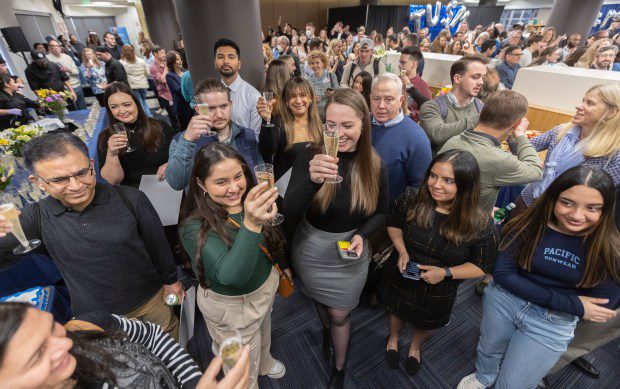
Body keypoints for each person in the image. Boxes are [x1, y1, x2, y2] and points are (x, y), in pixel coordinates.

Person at [0, 133, 183, 337]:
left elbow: (158, 244)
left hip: (150, 302)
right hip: (97, 320)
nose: (76, 186)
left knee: (171, 346)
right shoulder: (36, 217)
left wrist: (171, 281)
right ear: (38, 182)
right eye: (60, 180)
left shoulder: (130, 199)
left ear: (92, 164)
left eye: (82, 173)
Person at [458, 165, 620, 389]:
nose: (576, 215)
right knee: (488, 349)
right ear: (553, 199)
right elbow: (503, 275)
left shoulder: (609, 249)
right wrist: (572, 302)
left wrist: (534, 291)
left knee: (515, 384)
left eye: (592, 207)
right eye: (567, 203)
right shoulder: (528, 224)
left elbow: (601, 308)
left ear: (605, 209)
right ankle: (483, 377)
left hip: (553, 322)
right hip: (504, 302)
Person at [283, 89, 389, 388]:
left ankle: (339, 368)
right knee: (320, 302)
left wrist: (361, 235)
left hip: (350, 252)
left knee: (340, 314)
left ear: (363, 125)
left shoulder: (374, 164)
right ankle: (328, 333)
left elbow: (382, 213)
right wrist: (312, 182)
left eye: (347, 125)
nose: (338, 134)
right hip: (311, 248)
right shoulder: (310, 156)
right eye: (331, 125)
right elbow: (288, 211)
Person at [379, 150, 499, 376]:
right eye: (433, 176)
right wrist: (402, 250)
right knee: (395, 311)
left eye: (448, 180)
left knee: (425, 323)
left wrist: (445, 272)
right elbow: (393, 224)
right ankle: (393, 339)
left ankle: (414, 347)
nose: (436, 185)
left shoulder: (480, 224)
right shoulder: (411, 198)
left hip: (440, 286)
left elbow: (482, 265)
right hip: (402, 272)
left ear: (466, 185)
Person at [179, 143, 287, 389]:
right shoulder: (193, 225)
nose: (234, 188)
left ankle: (265, 362)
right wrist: (252, 223)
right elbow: (231, 276)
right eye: (221, 182)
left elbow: (271, 242)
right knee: (240, 368)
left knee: (263, 331)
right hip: (230, 307)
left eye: (238, 176)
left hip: (264, 287)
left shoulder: (251, 199)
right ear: (200, 183)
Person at [514, 84, 620, 212]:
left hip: (559, 218)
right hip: (527, 201)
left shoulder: (614, 155)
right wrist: (516, 130)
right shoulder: (561, 131)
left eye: (590, 103)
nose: (579, 106)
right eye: (583, 101)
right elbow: (517, 147)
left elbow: (600, 200)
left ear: (611, 112)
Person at [439, 90, 543, 212]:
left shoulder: (453, 141)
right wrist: (520, 135)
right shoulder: (499, 159)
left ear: (482, 112)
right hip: (467, 225)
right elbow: (536, 171)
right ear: (517, 123)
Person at [166, 79, 263, 190]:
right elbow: (177, 183)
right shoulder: (181, 140)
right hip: (205, 207)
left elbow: (258, 172)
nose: (219, 114)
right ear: (198, 109)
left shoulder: (247, 134)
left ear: (230, 105)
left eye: (223, 106)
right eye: (211, 108)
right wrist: (187, 140)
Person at [98, 81, 174, 187]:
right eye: (114, 107)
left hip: (166, 184)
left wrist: (170, 164)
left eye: (126, 105)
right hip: (135, 194)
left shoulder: (160, 126)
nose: (122, 111)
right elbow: (113, 180)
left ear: (136, 104)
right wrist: (112, 154)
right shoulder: (106, 137)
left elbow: (180, 155)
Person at [371, 73, 432, 201]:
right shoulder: (359, 125)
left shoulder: (416, 138)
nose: (381, 105)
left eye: (389, 99)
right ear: (370, 98)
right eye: (376, 98)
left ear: (400, 101)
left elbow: (419, 189)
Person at [257, 76, 322, 180]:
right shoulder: (278, 123)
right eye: (292, 96)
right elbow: (267, 151)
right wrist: (266, 120)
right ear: (286, 102)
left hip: (316, 188)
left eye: (302, 95)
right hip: (288, 191)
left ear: (310, 98)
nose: (298, 100)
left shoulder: (320, 123)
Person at [419, 54, 488, 154]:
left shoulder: (479, 105)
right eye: (475, 77)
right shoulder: (432, 107)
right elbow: (437, 135)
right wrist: (480, 118)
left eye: (482, 77)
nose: (481, 82)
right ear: (457, 79)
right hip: (441, 167)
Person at [214, 39, 262, 138]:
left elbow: (254, 137)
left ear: (239, 63)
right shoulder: (210, 95)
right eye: (220, 57)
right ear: (215, 63)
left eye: (231, 57)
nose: (226, 61)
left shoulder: (253, 96)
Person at [45, 38, 85, 110]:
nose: (55, 47)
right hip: (62, 90)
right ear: (49, 48)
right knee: (71, 110)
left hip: (76, 85)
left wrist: (68, 70)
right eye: (53, 46)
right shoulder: (47, 60)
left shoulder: (67, 57)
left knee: (82, 108)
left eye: (57, 45)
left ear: (60, 47)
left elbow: (77, 72)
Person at [398, 47, 431, 122]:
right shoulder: (397, 80)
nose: (399, 65)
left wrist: (410, 113)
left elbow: (429, 111)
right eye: (399, 62)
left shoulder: (422, 86)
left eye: (403, 62)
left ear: (414, 64)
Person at [119, 44, 152, 117]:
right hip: (143, 85)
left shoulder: (121, 63)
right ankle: (150, 117)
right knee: (143, 101)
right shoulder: (141, 61)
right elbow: (148, 73)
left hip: (133, 86)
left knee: (139, 103)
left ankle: (146, 119)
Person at [305, 50, 339, 121]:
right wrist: (311, 99)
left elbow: (339, 93)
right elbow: (306, 98)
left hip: (330, 113)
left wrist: (333, 94)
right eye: (312, 63)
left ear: (323, 63)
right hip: (315, 115)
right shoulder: (308, 80)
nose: (314, 66)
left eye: (317, 62)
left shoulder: (331, 76)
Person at [166, 50, 193, 131]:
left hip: (190, 103)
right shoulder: (170, 76)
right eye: (177, 59)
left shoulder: (186, 72)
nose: (180, 61)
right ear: (172, 62)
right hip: (181, 106)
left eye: (180, 58)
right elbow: (178, 90)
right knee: (186, 128)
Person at [149, 46, 174, 120]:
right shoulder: (153, 67)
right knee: (172, 116)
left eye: (164, 52)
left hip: (172, 91)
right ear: (155, 54)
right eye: (162, 53)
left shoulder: (165, 63)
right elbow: (162, 79)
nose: (164, 54)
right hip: (164, 94)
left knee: (178, 113)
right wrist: (166, 68)